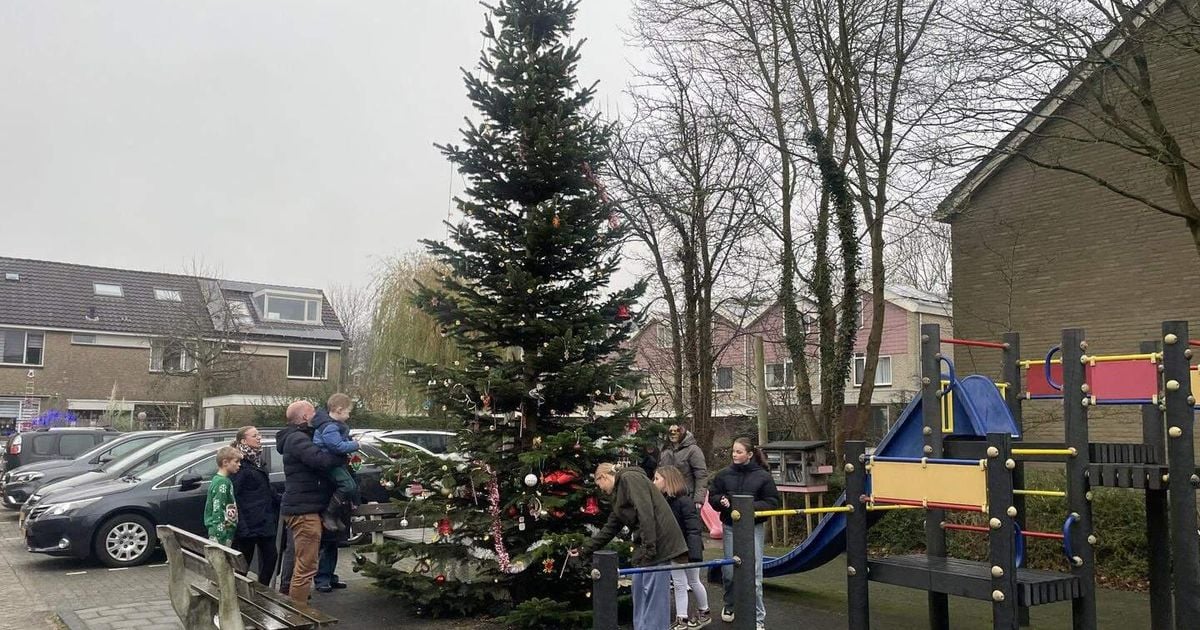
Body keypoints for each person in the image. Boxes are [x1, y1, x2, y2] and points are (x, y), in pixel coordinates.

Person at [577, 463, 688, 630]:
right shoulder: (619, 495)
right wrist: (584, 549)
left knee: (654, 598)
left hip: (659, 543)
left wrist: (649, 547)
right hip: (645, 545)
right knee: (640, 593)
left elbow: (646, 511)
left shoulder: (630, 479)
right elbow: (610, 528)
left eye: (598, 484)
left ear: (604, 477)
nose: (600, 490)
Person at [707, 438, 779, 630]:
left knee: (753, 574)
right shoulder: (723, 475)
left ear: (749, 454)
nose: (734, 455)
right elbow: (713, 495)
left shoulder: (763, 476)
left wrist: (747, 507)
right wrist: (720, 500)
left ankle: (758, 618)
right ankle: (730, 605)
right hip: (730, 527)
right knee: (730, 571)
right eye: (733, 451)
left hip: (753, 527)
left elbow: (772, 502)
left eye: (739, 452)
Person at [278, 399, 345, 603]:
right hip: (304, 511)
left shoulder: (297, 437)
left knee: (302, 562)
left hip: (303, 507)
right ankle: (297, 614)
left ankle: (294, 608)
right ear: (305, 417)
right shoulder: (297, 439)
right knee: (306, 567)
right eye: (313, 412)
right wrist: (343, 454)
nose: (317, 414)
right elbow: (320, 460)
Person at [654, 465, 711, 630]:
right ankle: (689, 616)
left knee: (689, 581)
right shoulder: (664, 502)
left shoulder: (684, 502)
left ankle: (692, 615)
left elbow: (694, 528)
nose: (654, 482)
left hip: (684, 549)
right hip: (676, 548)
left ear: (668, 481)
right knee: (684, 582)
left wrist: (694, 554)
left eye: (657, 478)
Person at [229, 426, 279, 586]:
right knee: (243, 563)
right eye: (255, 435)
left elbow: (265, 488)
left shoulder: (257, 460)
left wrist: (282, 500)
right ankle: (238, 594)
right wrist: (242, 526)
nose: (259, 438)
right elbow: (234, 497)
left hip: (264, 521)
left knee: (271, 557)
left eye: (259, 435)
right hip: (248, 524)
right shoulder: (238, 464)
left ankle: (261, 591)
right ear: (243, 440)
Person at [311, 393, 360, 532]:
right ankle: (329, 513)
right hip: (330, 462)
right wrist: (356, 445)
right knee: (348, 485)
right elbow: (336, 446)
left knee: (351, 485)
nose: (349, 416)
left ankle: (335, 514)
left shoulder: (333, 426)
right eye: (348, 412)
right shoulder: (330, 427)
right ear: (339, 410)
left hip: (335, 461)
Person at [658, 422, 708, 511]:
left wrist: (698, 499)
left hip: (687, 498)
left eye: (676, 431)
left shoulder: (693, 450)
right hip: (666, 499)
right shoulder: (664, 451)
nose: (673, 434)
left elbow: (701, 475)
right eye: (670, 431)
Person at [204, 446, 242, 547]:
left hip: (225, 533)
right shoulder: (222, 483)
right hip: (221, 536)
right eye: (236, 461)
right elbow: (218, 509)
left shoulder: (221, 480)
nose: (239, 465)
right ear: (225, 462)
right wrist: (220, 535)